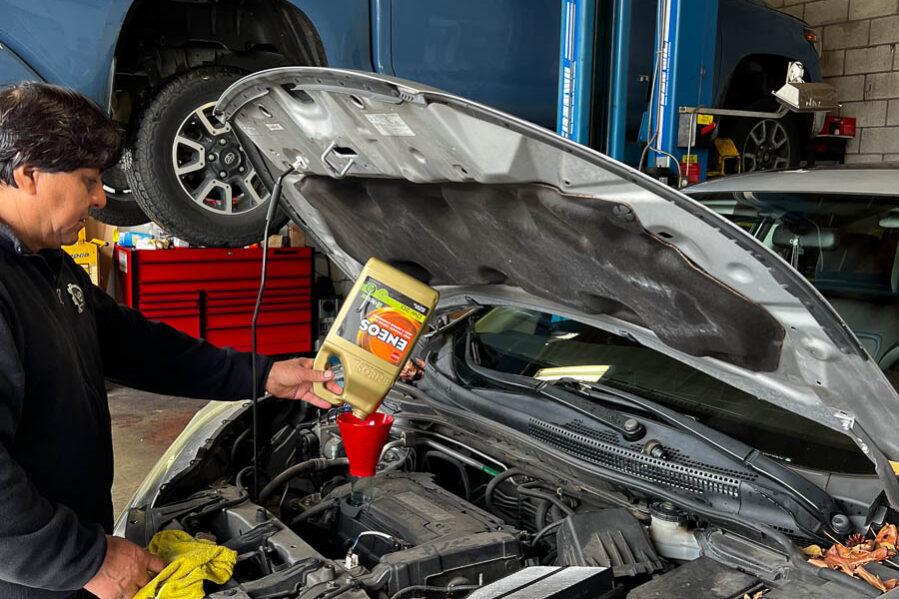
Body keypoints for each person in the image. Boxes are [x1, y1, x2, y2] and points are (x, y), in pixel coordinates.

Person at [0, 81, 342, 599]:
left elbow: (133, 345)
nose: (98, 198)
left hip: (64, 549)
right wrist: (81, 559)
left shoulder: (42, 259)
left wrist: (266, 375)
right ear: (28, 175)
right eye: (89, 179)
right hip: (24, 573)